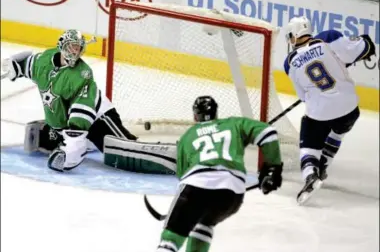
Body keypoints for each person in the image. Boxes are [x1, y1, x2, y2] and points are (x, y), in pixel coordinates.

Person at [155, 96, 283, 252]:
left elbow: (183, 177)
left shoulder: (187, 136)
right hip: (232, 194)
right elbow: (267, 132)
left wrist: (183, 209)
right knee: (205, 223)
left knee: (171, 239)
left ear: (195, 115)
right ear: (216, 113)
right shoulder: (233, 123)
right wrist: (272, 169)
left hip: (196, 187)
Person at [2, 29, 138, 172]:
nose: (75, 52)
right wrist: (16, 67)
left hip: (98, 118)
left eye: (78, 48)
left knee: (120, 152)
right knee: (40, 139)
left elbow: (82, 111)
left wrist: (74, 146)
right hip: (67, 123)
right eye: (72, 46)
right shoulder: (45, 60)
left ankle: (135, 148)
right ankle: (86, 141)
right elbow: (29, 66)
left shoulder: (82, 74)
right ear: (62, 45)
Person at [283, 16, 376, 204]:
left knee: (309, 141)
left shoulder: (291, 63)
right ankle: (325, 161)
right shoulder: (329, 42)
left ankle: (311, 175)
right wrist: (365, 44)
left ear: (294, 36)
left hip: (321, 113)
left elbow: (303, 97)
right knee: (338, 129)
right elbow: (365, 47)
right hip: (350, 109)